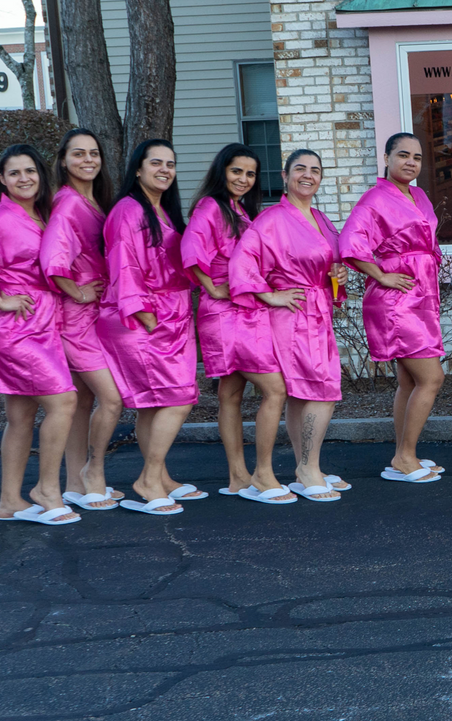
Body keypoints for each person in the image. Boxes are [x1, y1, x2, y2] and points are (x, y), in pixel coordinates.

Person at [0, 145, 80, 525]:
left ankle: (9, 501)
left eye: (30, 171)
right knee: (63, 401)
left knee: (21, 414)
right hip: (11, 326)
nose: (25, 178)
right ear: (2, 180)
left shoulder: (41, 214)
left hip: (41, 322)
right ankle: (47, 489)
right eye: (15, 173)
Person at [230, 149, 350, 501]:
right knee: (323, 388)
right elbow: (243, 261)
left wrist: (338, 275)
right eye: (300, 169)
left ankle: (306, 464)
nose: (308, 175)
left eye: (315, 169)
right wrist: (271, 296)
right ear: (285, 176)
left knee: (304, 392)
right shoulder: (271, 220)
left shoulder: (320, 219)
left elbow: (331, 264)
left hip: (317, 311)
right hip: (292, 317)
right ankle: (308, 467)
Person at [182, 144, 291, 503]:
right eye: (236, 171)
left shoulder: (240, 210)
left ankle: (237, 477)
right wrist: (210, 285)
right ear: (221, 171)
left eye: (250, 173)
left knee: (230, 394)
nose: (243, 179)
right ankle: (262, 474)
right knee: (274, 389)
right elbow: (192, 248)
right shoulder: (211, 206)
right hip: (227, 313)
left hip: (246, 310)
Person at [99, 139, 202, 515]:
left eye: (170, 164)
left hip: (170, 315)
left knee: (154, 404)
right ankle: (147, 479)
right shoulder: (128, 211)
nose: (164, 169)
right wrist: (144, 315)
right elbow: (123, 265)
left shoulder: (164, 210)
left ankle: (160, 477)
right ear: (138, 169)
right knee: (179, 398)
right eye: (155, 163)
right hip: (142, 317)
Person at [340, 132, 447, 484]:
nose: (411, 162)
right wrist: (381, 276)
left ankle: (403, 454)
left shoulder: (419, 196)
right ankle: (405, 457)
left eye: (416, 157)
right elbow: (351, 244)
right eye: (403, 155)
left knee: (408, 380)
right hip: (396, 300)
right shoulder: (373, 200)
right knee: (432, 378)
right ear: (386, 159)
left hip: (421, 296)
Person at [42, 129, 123, 511]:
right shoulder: (68, 204)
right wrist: (76, 291)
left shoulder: (93, 202)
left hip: (96, 313)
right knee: (112, 398)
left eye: (94, 153)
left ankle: (74, 482)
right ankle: (95, 473)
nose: (88, 160)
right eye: (78, 154)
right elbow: (53, 261)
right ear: (63, 160)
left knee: (83, 398)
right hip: (77, 318)